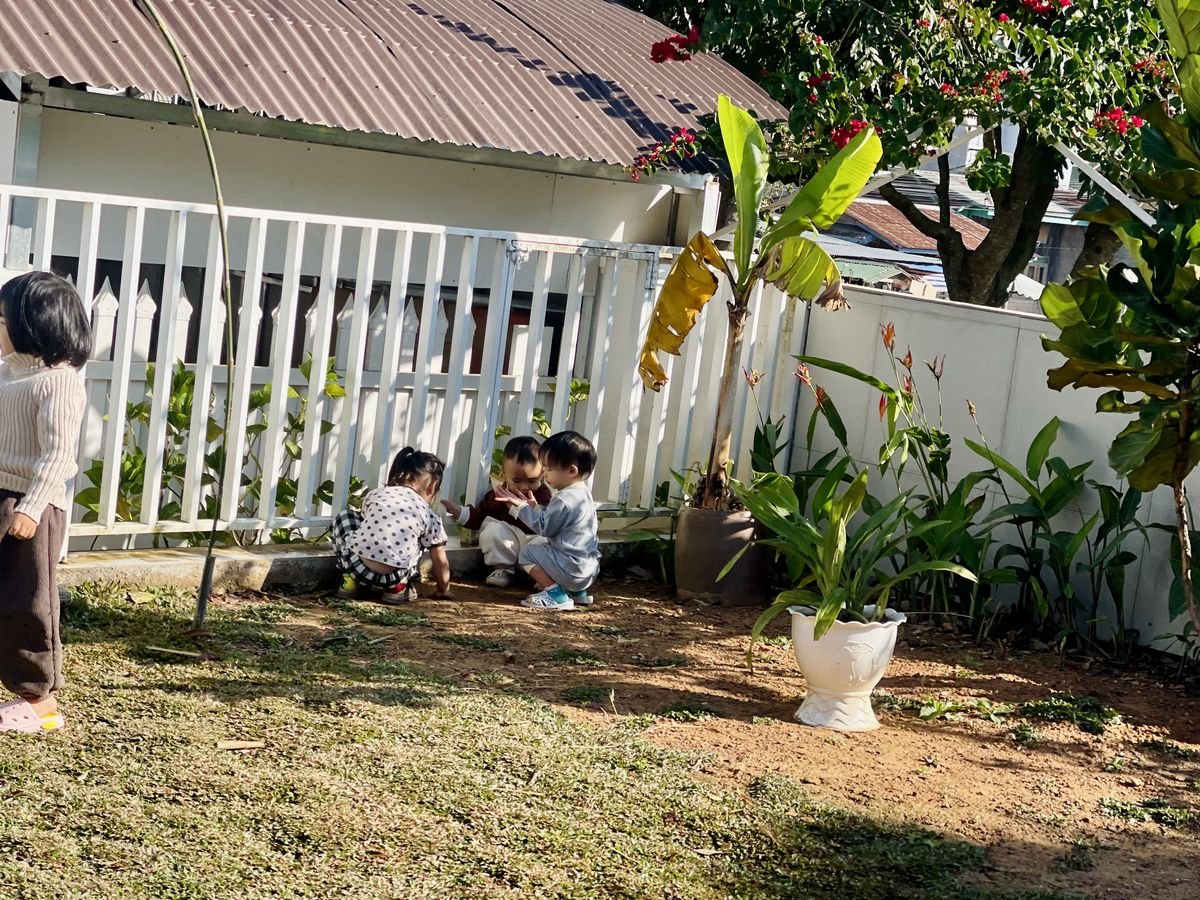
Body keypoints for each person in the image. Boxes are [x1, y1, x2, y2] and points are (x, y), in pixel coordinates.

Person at [0, 272, 91, 734]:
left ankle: (40, 700)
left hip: (29, 506)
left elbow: (57, 456)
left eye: (2, 321)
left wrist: (31, 508)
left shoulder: (58, 383)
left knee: (27, 601)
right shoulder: (7, 374)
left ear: (32, 325)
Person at [331, 448, 452, 603]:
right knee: (422, 539)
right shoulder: (428, 514)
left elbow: (365, 524)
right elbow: (440, 558)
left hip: (358, 568)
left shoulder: (376, 494)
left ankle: (349, 582)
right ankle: (396, 589)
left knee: (345, 516)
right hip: (395, 576)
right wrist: (443, 590)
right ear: (432, 487)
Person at [496, 431, 599, 612]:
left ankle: (555, 594)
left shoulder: (563, 499)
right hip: (588, 571)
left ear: (571, 471)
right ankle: (577, 593)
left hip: (571, 571)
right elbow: (556, 520)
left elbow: (544, 528)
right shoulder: (582, 494)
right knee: (550, 548)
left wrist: (520, 508)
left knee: (527, 553)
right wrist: (535, 508)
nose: (544, 474)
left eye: (549, 469)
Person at [440, 435, 552, 588]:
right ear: (505, 474)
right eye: (517, 480)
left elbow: (548, 524)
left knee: (545, 542)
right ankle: (503, 569)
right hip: (510, 543)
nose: (524, 487)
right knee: (493, 529)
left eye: (532, 480)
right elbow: (480, 516)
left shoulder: (543, 494)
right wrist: (459, 512)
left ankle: (539, 576)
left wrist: (533, 508)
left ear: (542, 473)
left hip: (532, 541)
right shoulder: (499, 495)